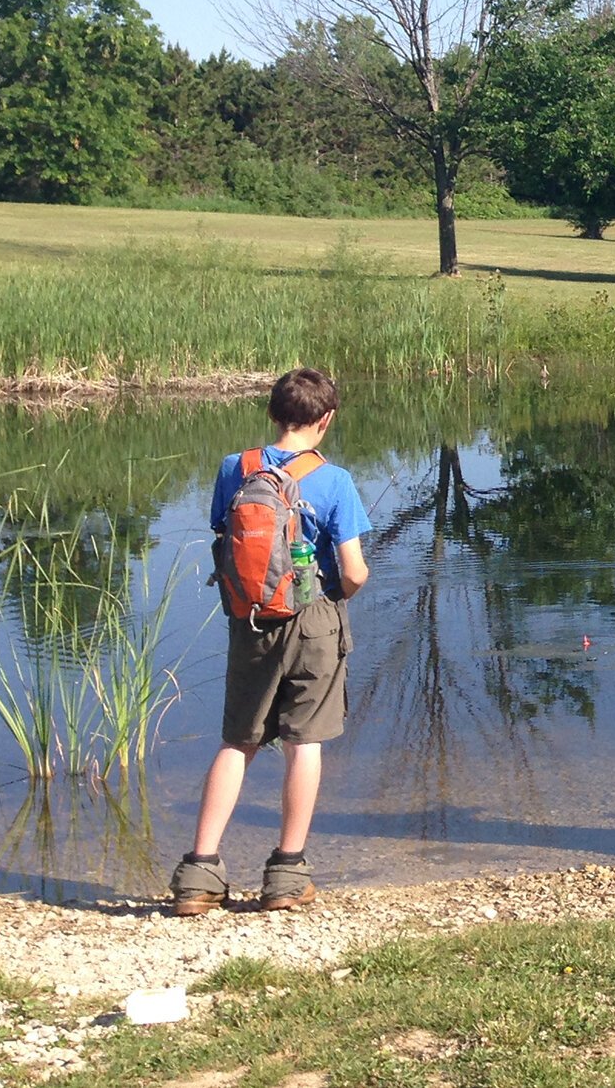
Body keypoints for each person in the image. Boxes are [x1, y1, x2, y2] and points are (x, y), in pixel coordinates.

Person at [170, 368, 372, 916]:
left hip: (251, 619)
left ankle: (198, 873)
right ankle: (286, 873)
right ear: (326, 420)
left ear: (272, 413)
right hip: (315, 620)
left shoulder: (234, 468)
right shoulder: (336, 482)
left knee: (239, 739)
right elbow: (353, 572)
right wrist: (335, 595)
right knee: (304, 742)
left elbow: (225, 538)